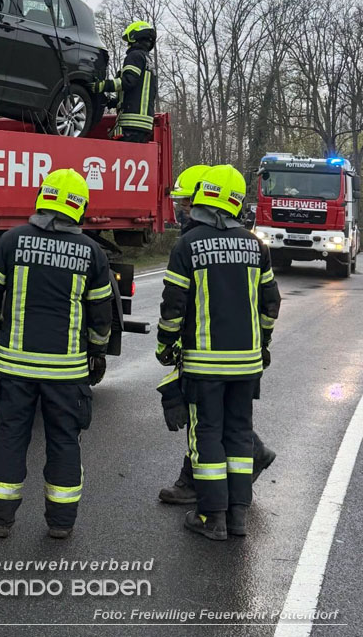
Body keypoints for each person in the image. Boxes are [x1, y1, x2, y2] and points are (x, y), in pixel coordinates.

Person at [0, 168, 113, 540]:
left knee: (9, 438)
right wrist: (97, 353)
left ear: (42, 198)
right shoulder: (91, 252)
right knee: (65, 441)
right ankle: (61, 524)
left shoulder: (11, 241)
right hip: (67, 372)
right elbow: (102, 314)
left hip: (15, 366)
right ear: (79, 207)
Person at [156, 164, 281, 540]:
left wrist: (166, 346)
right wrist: (262, 343)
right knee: (239, 435)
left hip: (204, 364)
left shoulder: (188, 245)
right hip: (246, 364)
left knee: (207, 434)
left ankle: (212, 517)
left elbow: (173, 305)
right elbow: (270, 302)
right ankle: (238, 516)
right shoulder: (256, 244)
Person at [100, 20, 157, 142]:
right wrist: (113, 102)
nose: (128, 45)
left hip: (131, 123)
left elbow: (128, 82)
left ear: (135, 37)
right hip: (144, 124)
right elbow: (137, 93)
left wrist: (103, 85)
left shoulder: (135, 56)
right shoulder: (148, 61)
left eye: (128, 41)